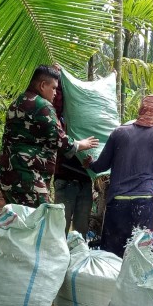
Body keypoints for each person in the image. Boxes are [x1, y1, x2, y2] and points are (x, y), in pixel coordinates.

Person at [0, 65, 98, 207]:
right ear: (43, 85)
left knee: (20, 222)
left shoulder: (18, 102)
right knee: (38, 221)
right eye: (54, 88)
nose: (55, 93)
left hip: (7, 173)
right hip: (27, 177)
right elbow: (59, 139)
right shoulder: (42, 105)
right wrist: (82, 144)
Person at [87, 94, 153, 257]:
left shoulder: (119, 132)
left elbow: (101, 166)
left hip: (117, 201)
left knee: (111, 255)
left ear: (141, 109)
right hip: (145, 203)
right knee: (144, 255)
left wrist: (89, 163)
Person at [52, 79, 93, 236]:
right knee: (60, 229)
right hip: (66, 179)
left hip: (85, 180)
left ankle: (78, 258)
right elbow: (56, 103)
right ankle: (58, 259)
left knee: (81, 230)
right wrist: (60, 81)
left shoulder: (92, 123)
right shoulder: (61, 120)